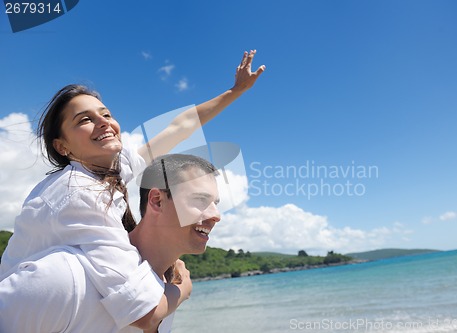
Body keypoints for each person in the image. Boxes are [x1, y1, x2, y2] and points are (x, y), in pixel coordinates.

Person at [0, 50, 265, 331]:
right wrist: (180, 290)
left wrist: (235, 91)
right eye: (84, 120)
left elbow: (181, 126)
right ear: (62, 147)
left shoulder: (113, 167)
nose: (103, 122)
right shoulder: (79, 193)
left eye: (106, 114)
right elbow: (144, 313)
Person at [0, 153, 222, 333]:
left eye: (215, 203)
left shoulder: (165, 289)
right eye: (200, 200)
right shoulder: (66, 277)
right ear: (157, 201)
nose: (216, 215)